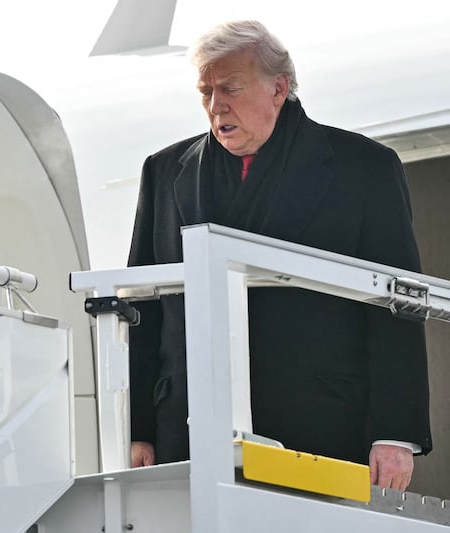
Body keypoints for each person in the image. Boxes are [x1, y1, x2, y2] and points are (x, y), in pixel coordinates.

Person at [127, 19, 431, 492]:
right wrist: (138, 427)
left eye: (230, 88)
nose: (215, 106)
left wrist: (395, 434)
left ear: (279, 88)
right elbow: (144, 304)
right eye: (205, 92)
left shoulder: (364, 168)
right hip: (187, 430)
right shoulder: (164, 171)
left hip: (322, 426)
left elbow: (398, 303)